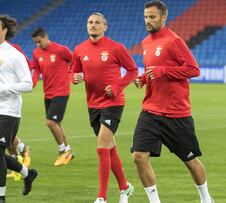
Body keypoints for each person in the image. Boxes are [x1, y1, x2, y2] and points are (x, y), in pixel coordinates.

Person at [131, 1, 214, 203]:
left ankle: (205, 198)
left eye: (152, 17)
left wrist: (163, 72)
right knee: (138, 156)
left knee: (190, 161)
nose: (148, 21)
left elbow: (194, 69)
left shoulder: (174, 41)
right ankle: (155, 201)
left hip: (176, 114)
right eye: (145, 17)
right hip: (150, 111)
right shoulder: (146, 42)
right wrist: (144, 79)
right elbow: (154, 70)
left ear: (163, 17)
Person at [69, 12, 137, 203]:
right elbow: (73, 71)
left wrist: (117, 87)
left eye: (97, 23)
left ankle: (102, 197)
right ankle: (125, 187)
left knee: (101, 148)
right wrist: (75, 78)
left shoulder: (116, 48)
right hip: (93, 104)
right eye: (90, 22)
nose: (93, 25)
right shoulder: (80, 49)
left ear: (105, 27)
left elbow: (132, 71)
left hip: (113, 104)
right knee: (109, 148)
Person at [0, 14, 38, 203]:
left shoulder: (14, 55)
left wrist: (3, 87)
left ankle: (0, 196)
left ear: (5, 31)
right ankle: (28, 174)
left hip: (9, 110)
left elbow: (28, 84)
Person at [31, 27, 74, 166]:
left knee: (50, 122)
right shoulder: (37, 52)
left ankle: (62, 151)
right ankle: (68, 151)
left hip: (61, 91)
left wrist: (73, 76)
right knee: (57, 123)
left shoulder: (61, 50)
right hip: (48, 92)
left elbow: (74, 62)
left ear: (45, 37)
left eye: (39, 42)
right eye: (35, 43)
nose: (38, 45)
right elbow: (37, 69)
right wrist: (32, 82)